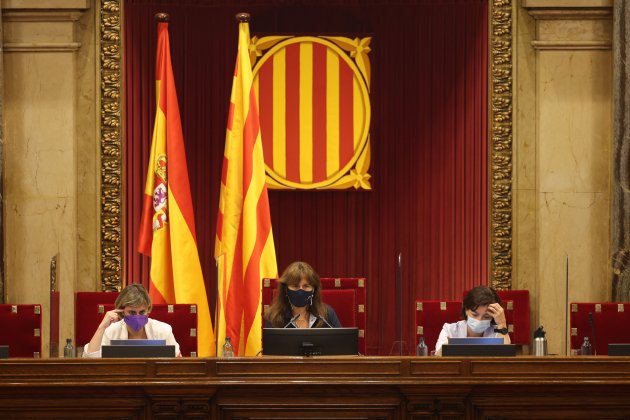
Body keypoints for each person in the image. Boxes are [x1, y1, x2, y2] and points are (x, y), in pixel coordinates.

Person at [83, 283, 181, 357]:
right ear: (122, 311)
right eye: (132, 312)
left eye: (142, 312)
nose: (137, 316)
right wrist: (102, 327)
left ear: (148, 310)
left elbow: (176, 363)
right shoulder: (111, 330)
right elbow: (90, 361)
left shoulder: (163, 330)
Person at [434, 285, 511, 356]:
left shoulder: (498, 331)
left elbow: (506, 359)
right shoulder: (449, 329)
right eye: (475, 314)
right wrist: (447, 348)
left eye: (486, 316)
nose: (479, 320)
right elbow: (438, 360)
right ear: (466, 310)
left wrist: (502, 323)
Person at [265, 261, 342, 328]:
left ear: (313, 290)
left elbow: (341, 343)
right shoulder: (273, 316)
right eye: (295, 286)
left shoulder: (327, 314)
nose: (300, 291)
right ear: (285, 289)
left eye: (306, 286)